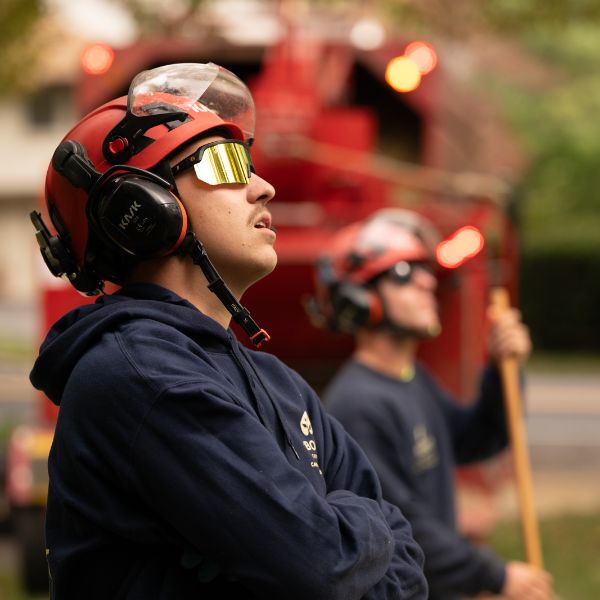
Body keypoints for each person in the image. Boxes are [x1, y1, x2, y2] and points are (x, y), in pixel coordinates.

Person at [28, 63, 428, 600]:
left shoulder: (276, 381)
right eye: (227, 163)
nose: (263, 188)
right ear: (142, 209)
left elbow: (405, 561)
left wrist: (337, 537)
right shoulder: (141, 378)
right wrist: (348, 528)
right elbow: (321, 563)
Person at [309, 209, 554, 600]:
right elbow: (403, 525)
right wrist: (495, 576)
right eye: (404, 272)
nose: (426, 281)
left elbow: (480, 439)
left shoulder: (413, 379)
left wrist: (501, 370)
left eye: (425, 269)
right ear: (359, 298)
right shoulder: (357, 404)